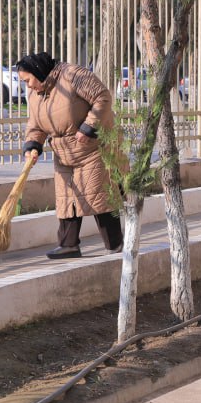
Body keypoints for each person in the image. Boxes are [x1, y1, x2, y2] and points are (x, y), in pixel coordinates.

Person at [17, 52, 122, 260]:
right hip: (64, 153)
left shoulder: (73, 75)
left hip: (92, 148)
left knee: (98, 197)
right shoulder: (36, 94)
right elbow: (35, 124)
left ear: (38, 72)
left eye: (28, 80)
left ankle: (115, 244)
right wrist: (33, 145)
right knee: (67, 200)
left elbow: (102, 97)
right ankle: (68, 245)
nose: (28, 86)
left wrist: (89, 127)